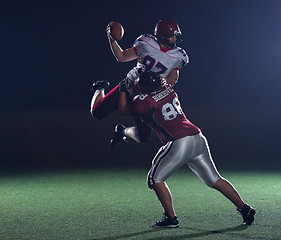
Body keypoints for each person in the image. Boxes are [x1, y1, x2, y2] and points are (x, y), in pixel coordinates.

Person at [109, 70, 256, 228]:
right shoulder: (169, 89)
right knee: (215, 179)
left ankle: (171, 218)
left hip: (179, 142)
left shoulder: (144, 101)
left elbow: (123, 110)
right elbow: (168, 80)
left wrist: (123, 90)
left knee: (154, 179)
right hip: (198, 138)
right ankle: (244, 208)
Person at [90, 19, 189, 120]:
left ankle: (123, 131)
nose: (174, 39)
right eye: (171, 36)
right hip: (130, 85)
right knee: (98, 112)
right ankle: (100, 87)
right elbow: (121, 56)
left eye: (175, 36)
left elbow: (173, 79)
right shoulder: (146, 42)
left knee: (145, 130)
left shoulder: (179, 56)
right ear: (161, 35)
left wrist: (165, 80)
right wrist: (112, 39)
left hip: (151, 94)